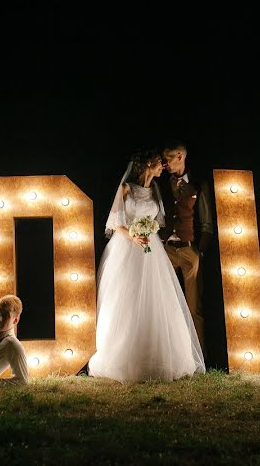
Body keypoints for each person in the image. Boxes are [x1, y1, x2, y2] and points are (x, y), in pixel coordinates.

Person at [88, 149, 206, 382]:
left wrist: (148, 233)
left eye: (164, 163)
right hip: (127, 247)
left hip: (151, 250)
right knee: (128, 299)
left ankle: (158, 354)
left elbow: (159, 221)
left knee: (156, 299)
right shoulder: (126, 189)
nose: (163, 166)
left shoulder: (155, 191)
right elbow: (114, 222)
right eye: (158, 163)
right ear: (146, 165)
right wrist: (133, 236)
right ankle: (125, 356)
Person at [158, 139, 215, 352]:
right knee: (166, 304)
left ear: (180, 156)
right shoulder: (162, 183)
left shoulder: (199, 184)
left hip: (190, 251)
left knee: (194, 308)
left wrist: (199, 250)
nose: (164, 163)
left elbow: (207, 222)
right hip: (166, 251)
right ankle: (170, 353)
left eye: (168, 158)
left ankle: (199, 356)